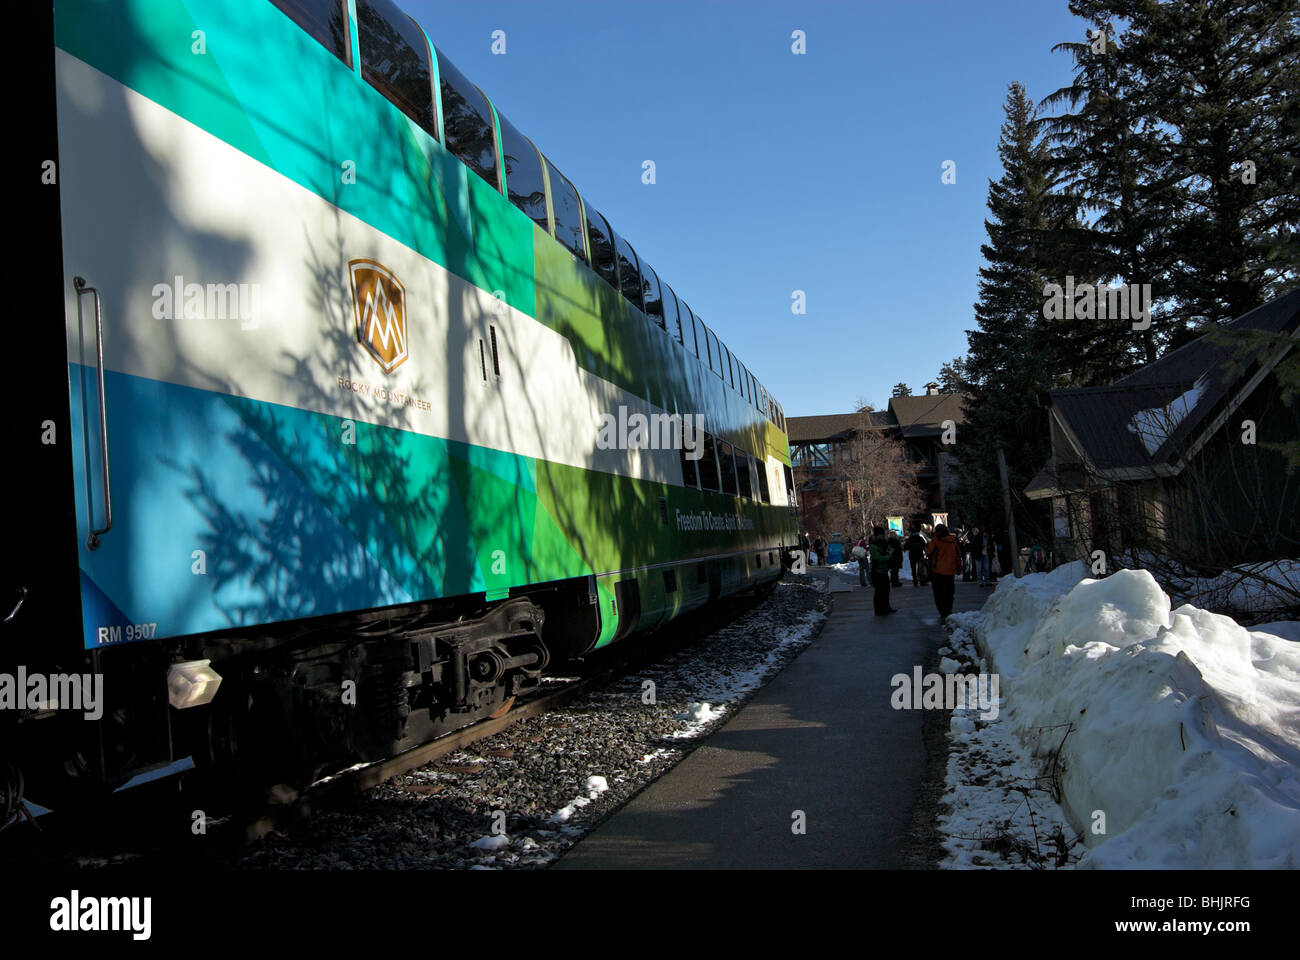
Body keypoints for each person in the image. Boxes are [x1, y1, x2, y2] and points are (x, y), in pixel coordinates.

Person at [925, 523, 960, 621]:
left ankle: (942, 611)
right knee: (949, 591)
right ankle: (949, 609)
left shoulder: (936, 540)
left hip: (937, 570)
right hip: (950, 570)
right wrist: (958, 567)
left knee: (938, 592)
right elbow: (958, 555)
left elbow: (928, 552)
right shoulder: (953, 540)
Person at [868, 525, 897, 616]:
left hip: (883, 571)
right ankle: (879, 610)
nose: (883, 537)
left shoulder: (883, 544)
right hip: (877, 571)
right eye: (881, 535)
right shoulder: (873, 545)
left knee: (886, 590)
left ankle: (886, 607)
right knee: (879, 591)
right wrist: (889, 555)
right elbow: (879, 558)